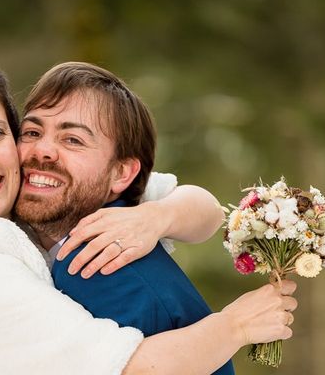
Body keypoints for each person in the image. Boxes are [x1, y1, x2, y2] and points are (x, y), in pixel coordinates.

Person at [0, 60, 298, 375]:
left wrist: (156, 218)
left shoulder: (42, 202)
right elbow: (123, 368)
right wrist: (237, 326)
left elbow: (205, 209)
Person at [14, 62, 236, 374]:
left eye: (72, 140)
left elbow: (210, 211)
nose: (43, 150)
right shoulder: (2, 220)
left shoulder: (100, 259)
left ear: (121, 173)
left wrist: (156, 216)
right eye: (32, 132)